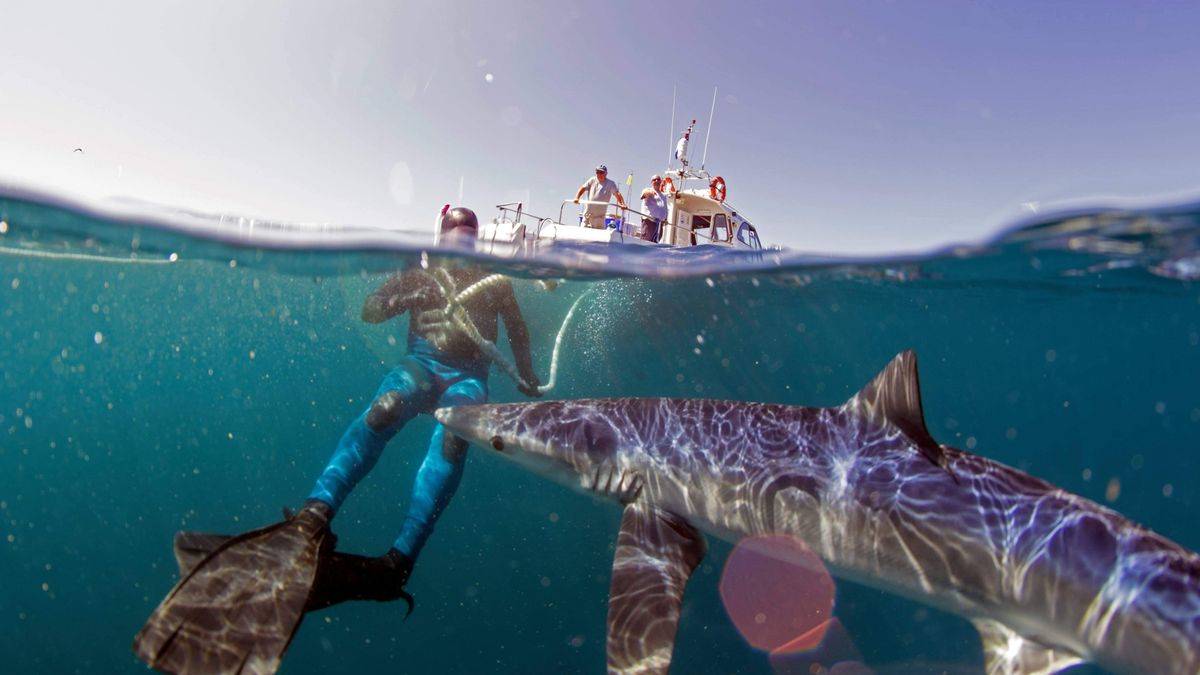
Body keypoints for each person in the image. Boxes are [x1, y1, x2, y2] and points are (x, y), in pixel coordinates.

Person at [134, 207, 542, 673]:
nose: (463, 249)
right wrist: (405, 293)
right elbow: (371, 311)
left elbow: (519, 332)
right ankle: (314, 514)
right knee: (383, 409)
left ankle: (399, 562)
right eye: (455, 240)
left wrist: (527, 375)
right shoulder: (418, 271)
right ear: (442, 238)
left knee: (457, 435)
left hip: (467, 378)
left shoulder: (496, 280)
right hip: (421, 365)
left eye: (470, 241)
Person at [573, 164, 626, 229]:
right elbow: (583, 188)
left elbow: (617, 194)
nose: (599, 174)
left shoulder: (611, 184)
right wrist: (577, 198)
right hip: (588, 214)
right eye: (597, 172)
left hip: (599, 217)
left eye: (601, 172)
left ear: (606, 173)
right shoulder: (592, 180)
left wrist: (622, 204)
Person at [638, 175, 669, 243]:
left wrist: (665, 218)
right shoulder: (648, 189)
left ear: (661, 181)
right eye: (654, 180)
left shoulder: (663, 195)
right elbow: (644, 195)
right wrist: (649, 193)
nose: (656, 181)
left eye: (658, 179)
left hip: (660, 223)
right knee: (645, 241)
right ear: (651, 182)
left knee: (655, 242)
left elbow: (665, 207)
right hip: (649, 221)